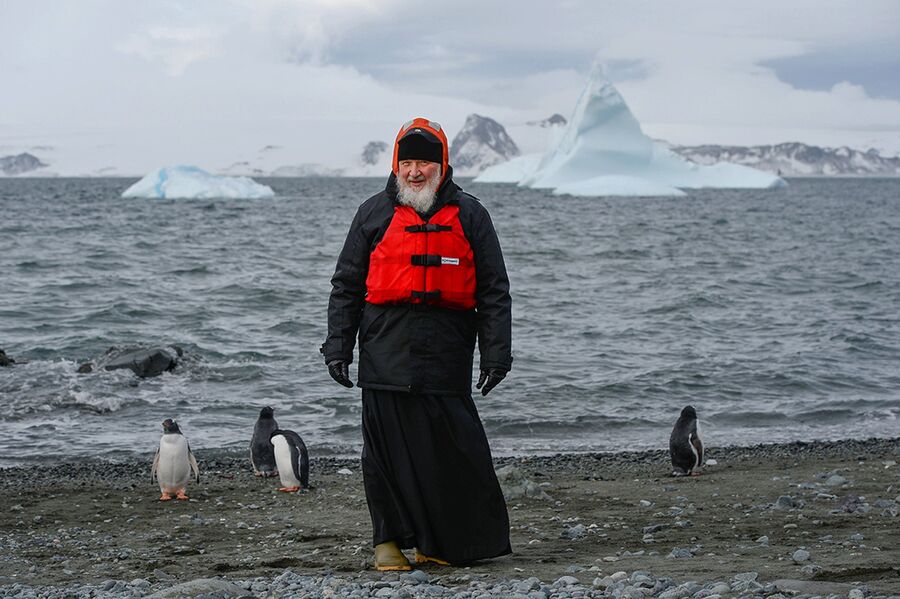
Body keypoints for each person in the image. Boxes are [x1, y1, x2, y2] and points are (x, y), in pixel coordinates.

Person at [321, 117, 513, 570]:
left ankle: (437, 542)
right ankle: (387, 544)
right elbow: (346, 285)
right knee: (385, 455)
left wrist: (497, 353)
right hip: (385, 353)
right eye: (406, 161)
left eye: (423, 162)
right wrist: (337, 346)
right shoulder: (372, 213)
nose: (414, 171)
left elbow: (493, 290)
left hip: (446, 355)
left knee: (452, 452)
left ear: (442, 166)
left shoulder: (471, 215)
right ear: (395, 164)